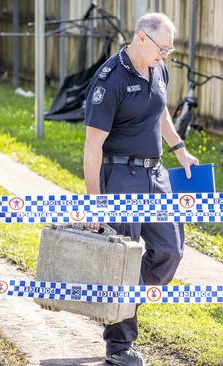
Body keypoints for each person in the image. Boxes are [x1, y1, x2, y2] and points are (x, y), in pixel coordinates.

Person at [83, 12, 199, 366]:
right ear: (143, 38)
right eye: (163, 48)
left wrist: (180, 150)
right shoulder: (109, 80)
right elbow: (92, 147)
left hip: (155, 175)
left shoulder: (158, 68)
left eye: (170, 49)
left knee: (171, 250)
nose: (166, 55)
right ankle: (119, 347)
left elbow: (159, 112)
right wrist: (94, 203)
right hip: (121, 178)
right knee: (124, 257)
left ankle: (121, 299)